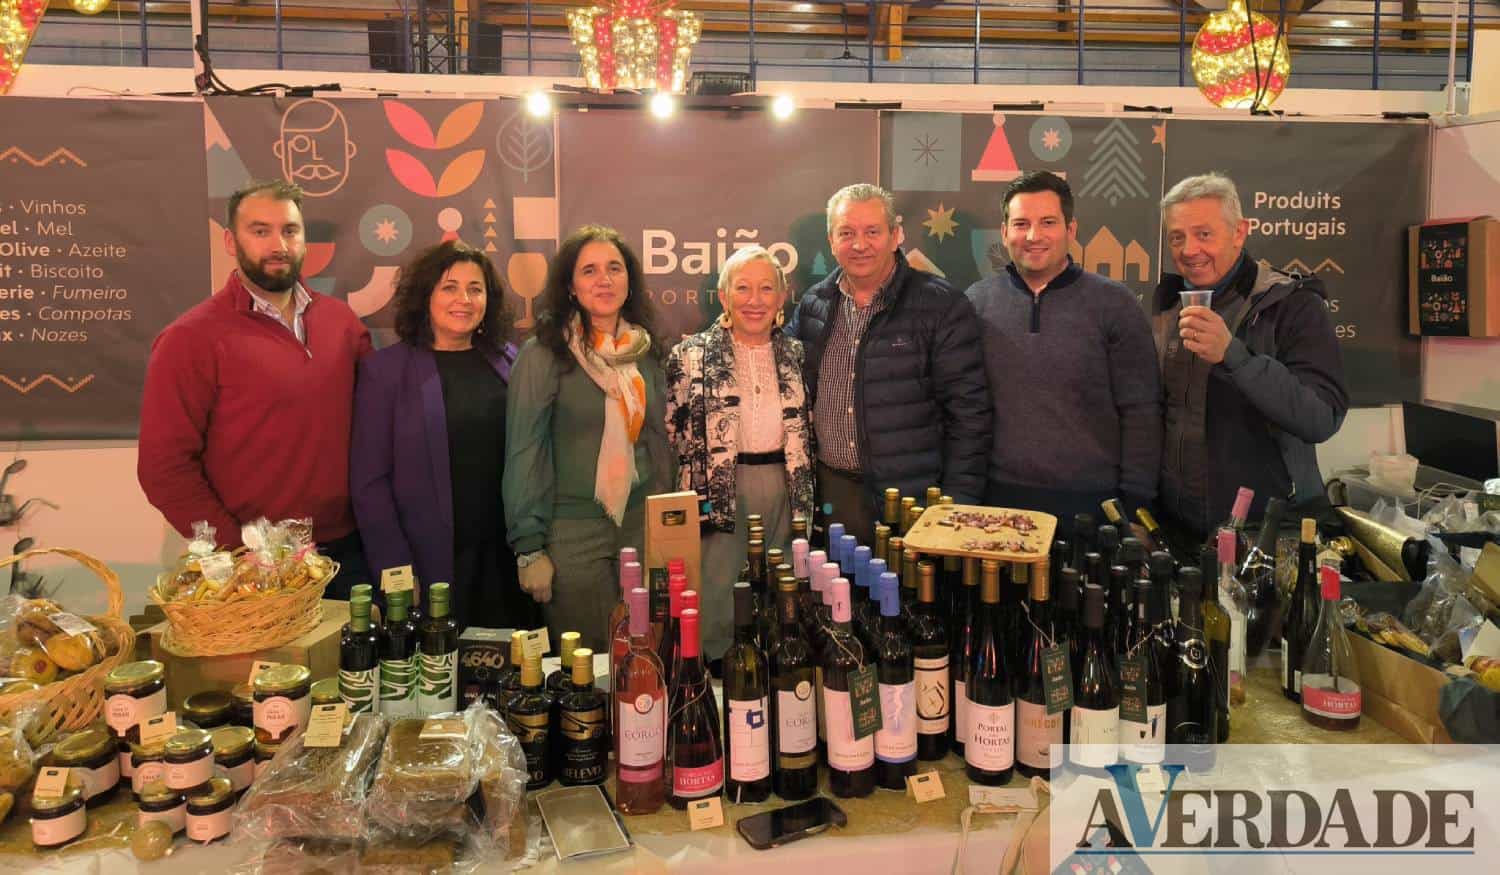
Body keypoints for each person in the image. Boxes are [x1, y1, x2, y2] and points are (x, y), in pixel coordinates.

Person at [138, 180, 372, 599]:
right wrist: (240, 553)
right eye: (260, 231)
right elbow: (163, 468)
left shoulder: (343, 324)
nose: (278, 245)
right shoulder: (190, 339)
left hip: (351, 553)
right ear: (231, 241)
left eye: (290, 230)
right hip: (255, 572)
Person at [350, 240, 537, 631]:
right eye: (450, 287)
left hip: (506, 558)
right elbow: (370, 483)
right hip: (430, 561)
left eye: (475, 289)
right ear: (426, 296)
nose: (464, 299)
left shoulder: (511, 360)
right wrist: (395, 569)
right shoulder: (385, 372)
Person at [790, 183, 990, 542]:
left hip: (914, 501)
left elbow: (969, 414)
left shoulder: (941, 305)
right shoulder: (814, 304)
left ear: (896, 235)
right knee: (837, 581)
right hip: (833, 494)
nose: (860, 244)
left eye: (872, 232)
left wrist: (957, 503)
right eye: (846, 233)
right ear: (831, 240)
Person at [504, 226, 673, 651]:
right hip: (572, 535)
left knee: (645, 657)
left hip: (640, 527)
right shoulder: (543, 354)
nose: (604, 280)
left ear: (629, 281)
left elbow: (656, 442)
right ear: (570, 286)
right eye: (590, 271)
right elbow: (525, 452)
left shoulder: (644, 352)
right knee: (590, 667)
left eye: (615, 268)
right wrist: (529, 549)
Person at [1154, 172, 1349, 541]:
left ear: (1240, 232)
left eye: (1204, 234)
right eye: (1177, 237)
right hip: (1180, 529)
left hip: (1268, 532)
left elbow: (1322, 419)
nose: (1189, 249)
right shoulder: (1166, 306)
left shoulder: (1293, 304)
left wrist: (1235, 356)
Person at [964, 171, 1161, 521]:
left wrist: (1135, 506)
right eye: (1021, 224)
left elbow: (1142, 412)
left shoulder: (1115, 304)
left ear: (1071, 230)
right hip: (996, 501)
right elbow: (963, 408)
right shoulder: (976, 303)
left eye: (1048, 222)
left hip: (1094, 505)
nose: (1033, 236)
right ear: (1005, 232)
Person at [665, 245, 815, 658]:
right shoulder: (689, 356)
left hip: (786, 487)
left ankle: (776, 666)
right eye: (743, 288)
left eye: (766, 288)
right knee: (718, 593)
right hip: (720, 491)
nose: (755, 300)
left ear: (782, 297)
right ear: (724, 295)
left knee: (781, 589)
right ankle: (717, 670)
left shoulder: (798, 354)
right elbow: (673, 432)